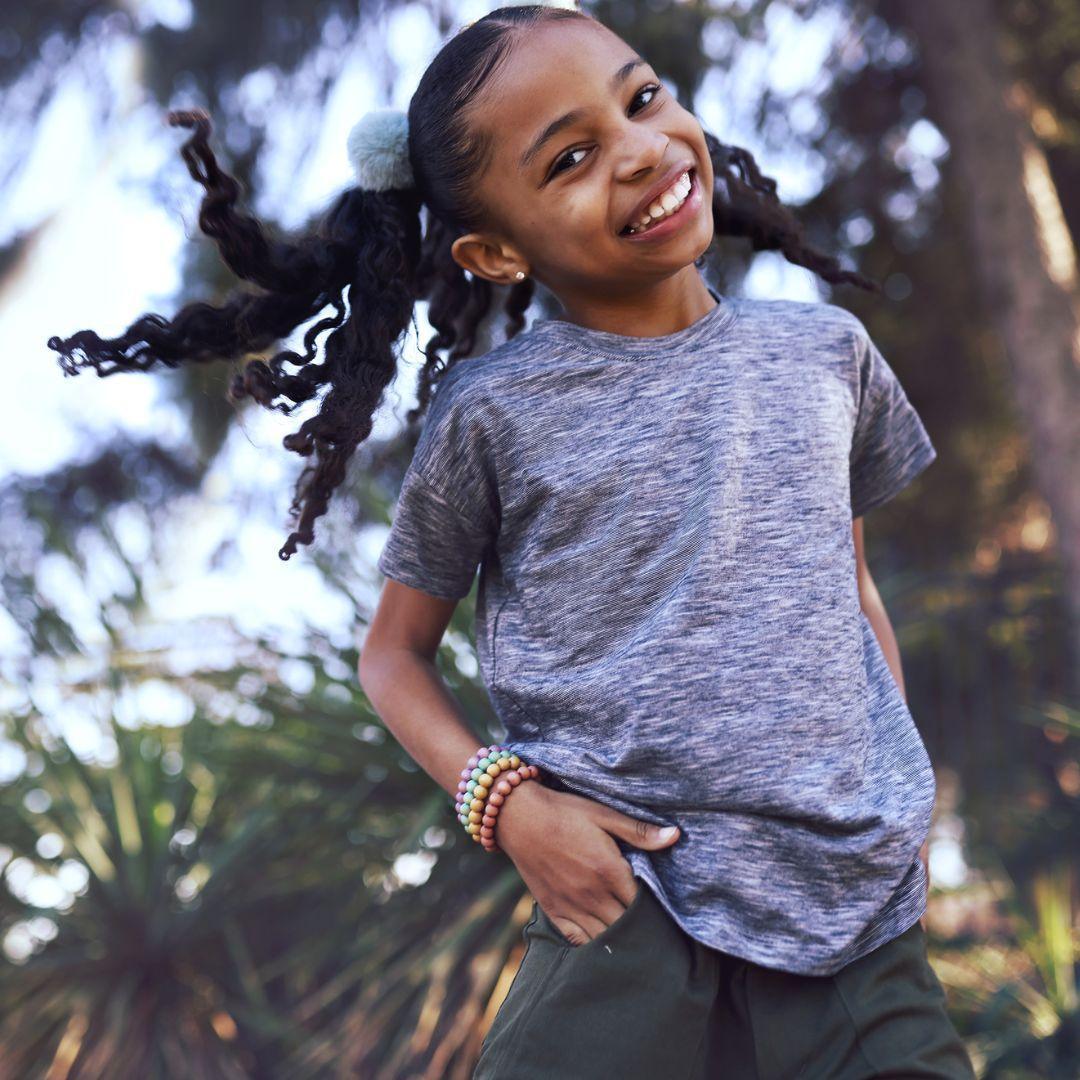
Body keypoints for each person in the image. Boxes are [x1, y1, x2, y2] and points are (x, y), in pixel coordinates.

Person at [48, 6, 976, 1077]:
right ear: (493, 252)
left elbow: (849, 589)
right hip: (625, 908)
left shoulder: (826, 354)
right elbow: (392, 657)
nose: (639, 151)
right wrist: (510, 808)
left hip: (853, 918)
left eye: (643, 99)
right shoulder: (493, 414)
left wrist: (897, 803)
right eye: (570, 159)